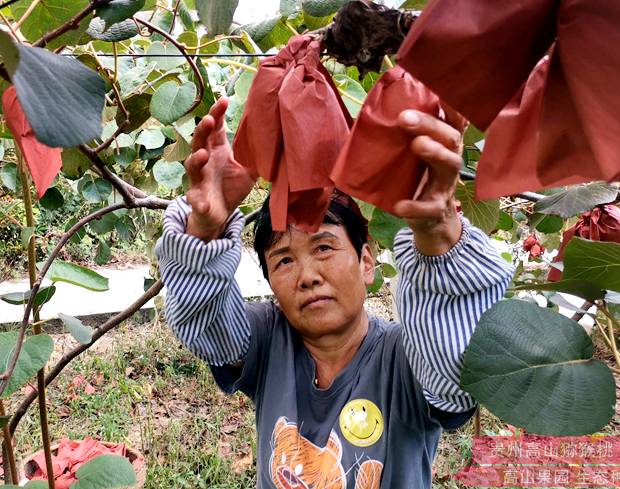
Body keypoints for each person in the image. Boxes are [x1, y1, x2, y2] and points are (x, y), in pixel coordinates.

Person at [155, 98, 514, 488]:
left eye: (324, 248)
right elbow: (207, 327)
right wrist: (205, 230)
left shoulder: (406, 356)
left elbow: (454, 372)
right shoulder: (268, 339)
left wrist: (438, 232)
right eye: (284, 261)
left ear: (366, 262)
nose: (307, 276)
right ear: (271, 284)